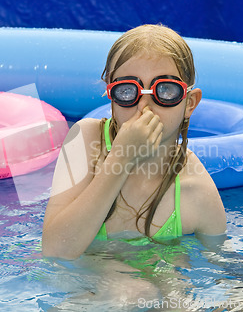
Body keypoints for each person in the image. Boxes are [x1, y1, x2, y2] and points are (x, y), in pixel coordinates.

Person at [42, 24, 226, 261]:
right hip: (88, 288)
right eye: (127, 91)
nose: (144, 106)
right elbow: (55, 251)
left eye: (166, 90)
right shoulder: (86, 141)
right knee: (129, 289)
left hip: (156, 287)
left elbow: (226, 264)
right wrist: (121, 158)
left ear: (189, 103)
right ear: (112, 96)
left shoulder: (197, 190)